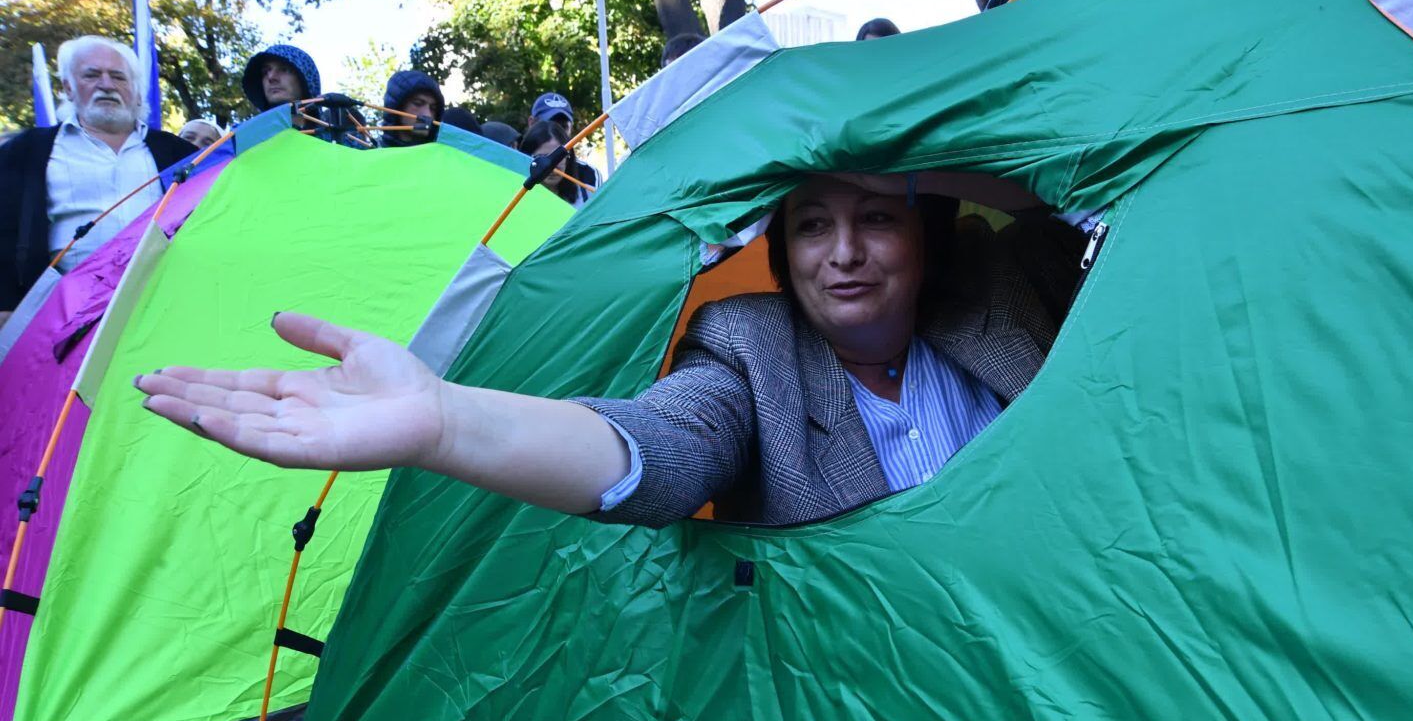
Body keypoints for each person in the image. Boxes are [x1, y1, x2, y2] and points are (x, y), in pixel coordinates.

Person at [135, 175, 1056, 528]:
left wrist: (921, 154)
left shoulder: (1002, 295)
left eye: (878, 220)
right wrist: (447, 422)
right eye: (812, 227)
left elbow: (1089, 199)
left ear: (926, 235)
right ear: (782, 252)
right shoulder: (749, 349)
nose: (844, 253)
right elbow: (663, 446)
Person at [0, 35, 195, 318]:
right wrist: (5, 303)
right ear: (68, 87)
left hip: (159, 306)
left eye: (118, 77)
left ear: (136, 91)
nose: (106, 85)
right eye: (92, 75)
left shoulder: (179, 152)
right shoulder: (27, 150)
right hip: (58, 314)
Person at [517, 121, 597, 207]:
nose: (551, 166)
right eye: (542, 157)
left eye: (558, 157)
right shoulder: (516, 199)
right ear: (527, 157)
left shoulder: (589, 197)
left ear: (568, 158)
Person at [241, 44, 322, 113]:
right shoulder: (247, 131)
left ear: (305, 80)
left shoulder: (331, 129)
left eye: (284, 69)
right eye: (265, 72)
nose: (271, 77)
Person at [379, 70, 444, 147]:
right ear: (397, 107)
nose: (428, 115)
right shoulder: (370, 156)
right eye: (418, 103)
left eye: (433, 108)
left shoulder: (444, 156)